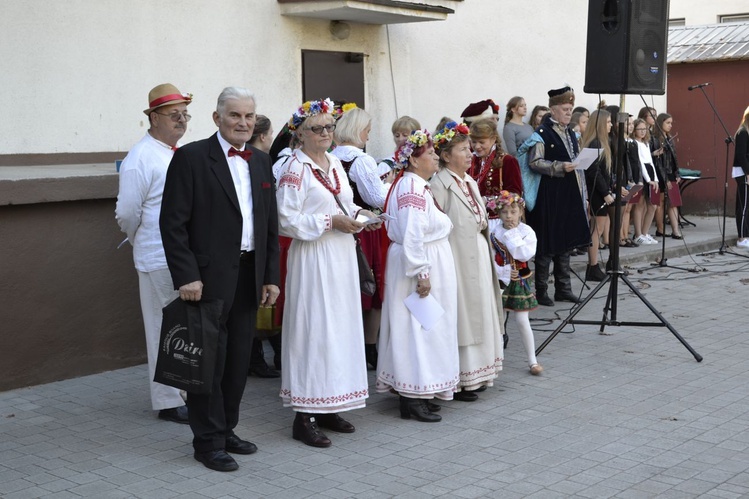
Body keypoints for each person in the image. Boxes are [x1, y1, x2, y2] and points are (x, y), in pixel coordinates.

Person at [160, 86, 281, 472]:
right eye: (234, 116)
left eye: (248, 116)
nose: (242, 123)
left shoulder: (261, 162)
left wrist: (270, 276)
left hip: (249, 276)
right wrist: (187, 276)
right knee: (207, 362)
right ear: (217, 118)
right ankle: (206, 441)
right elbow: (173, 224)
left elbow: (269, 225)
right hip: (207, 280)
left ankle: (227, 429)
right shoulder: (192, 158)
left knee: (238, 360)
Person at [276, 98, 379, 448]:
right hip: (313, 257)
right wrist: (328, 221)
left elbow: (345, 203)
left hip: (339, 255)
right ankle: (304, 415)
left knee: (340, 328)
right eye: (316, 128)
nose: (325, 133)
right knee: (315, 330)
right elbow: (285, 219)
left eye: (329, 127)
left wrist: (362, 218)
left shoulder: (335, 162)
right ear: (300, 134)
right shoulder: (295, 169)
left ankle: (331, 404)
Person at [115, 83, 192, 425]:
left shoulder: (174, 152)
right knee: (163, 328)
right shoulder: (141, 158)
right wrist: (141, 239)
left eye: (185, 114)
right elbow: (127, 213)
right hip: (157, 256)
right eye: (174, 115)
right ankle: (168, 401)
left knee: (183, 327)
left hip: (181, 256)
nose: (181, 121)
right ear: (154, 118)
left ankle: (184, 391)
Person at [376, 130, 459, 423]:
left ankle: (420, 390)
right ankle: (411, 397)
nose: (436, 158)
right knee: (417, 329)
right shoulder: (411, 188)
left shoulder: (415, 185)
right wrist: (421, 272)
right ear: (412, 158)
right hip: (418, 264)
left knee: (426, 328)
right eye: (430, 154)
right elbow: (413, 234)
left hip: (425, 259)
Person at [430, 122, 503, 400]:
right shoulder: (440, 185)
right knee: (463, 316)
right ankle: (460, 378)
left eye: (469, 148)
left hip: (478, 254)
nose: (470, 153)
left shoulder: (468, 180)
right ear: (446, 156)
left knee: (481, 310)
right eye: (462, 149)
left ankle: (480, 373)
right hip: (457, 259)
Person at [331, 105, 390, 370]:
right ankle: (369, 349)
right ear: (359, 130)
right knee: (370, 288)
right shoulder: (361, 159)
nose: (368, 134)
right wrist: (393, 184)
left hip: (337, 228)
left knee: (346, 290)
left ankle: (348, 346)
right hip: (363, 227)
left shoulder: (330, 156)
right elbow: (377, 198)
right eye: (367, 130)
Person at [527, 86, 590, 306]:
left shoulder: (572, 133)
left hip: (569, 194)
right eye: (564, 108)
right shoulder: (541, 133)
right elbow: (534, 163)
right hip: (549, 195)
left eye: (571, 109)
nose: (568, 113)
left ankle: (564, 289)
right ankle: (541, 290)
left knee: (565, 242)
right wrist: (560, 166)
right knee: (546, 244)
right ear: (552, 110)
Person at [488, 191, 542, 375]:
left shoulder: (526, 231)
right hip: (501, 281)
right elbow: (489, 257)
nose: (509, 216)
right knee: (498, 320)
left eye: (513, 211)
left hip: (519, 280)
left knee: (522, 320)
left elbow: (523, 254)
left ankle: (532, 360)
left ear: (520, 211)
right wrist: (501, 271)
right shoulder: (495, 231)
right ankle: (494, 359)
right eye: (504, 212)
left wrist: (512, 234)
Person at [246, 115, 281, 378]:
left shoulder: (264, 161)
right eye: (269, 134)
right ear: (263, 137)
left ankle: (263, 354)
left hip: (265, 241)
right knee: (257, 305)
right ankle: (254, 357)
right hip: (251, 244)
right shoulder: (255, 160)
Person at [468, 117, 523, 229]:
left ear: (493, 139)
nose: (477, 146)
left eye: (482, 142)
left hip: (498, 221)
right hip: (473, 220)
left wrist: (487, 200)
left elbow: (515, 194)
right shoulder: (470, 159)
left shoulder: (507, 161)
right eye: (474, 142)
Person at [581, 110, 615, 281]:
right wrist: (605, 193)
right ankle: (593, 266)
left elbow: (605, 171)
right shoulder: (594, 143)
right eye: (608, 122)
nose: (611, 125)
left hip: (601, 190)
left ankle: (596, 265)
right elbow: (593, 171)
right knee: (597, 229)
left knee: (600, 229)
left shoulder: (603, 142)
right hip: (596, 192)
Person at [651, 113, 683, 239]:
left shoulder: (670, 138)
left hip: (670, 172)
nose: (670, 125)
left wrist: (677, 172)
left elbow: (674, 157)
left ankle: (676, 230)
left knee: (673, 202)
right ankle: (660, 229)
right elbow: (656, 161)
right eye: (667, 123)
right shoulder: (654, 139)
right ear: (660, 123)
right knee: (661, 202)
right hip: (659, 173)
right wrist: (664, 178)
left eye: (671, 123)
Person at [632, 118, 660, 245]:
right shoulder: (634, 143)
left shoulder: (646, 143)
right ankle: (638, 234)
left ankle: (645, 232)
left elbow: (650, 163)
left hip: (650, 173)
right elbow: (640, 163)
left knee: (653, 205)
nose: (643, 132)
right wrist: (648, 180)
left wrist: (655, 179)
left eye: (644, 129)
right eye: (640, 129)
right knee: (640, 204)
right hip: (642, 174)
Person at [377, 115, 421, 180]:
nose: (400, 139)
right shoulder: (386, 165)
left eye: (405, 135)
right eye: (397, 136)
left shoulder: (423, 161)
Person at [734, 106, 749, 249]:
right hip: (743, 173)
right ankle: (742, 237)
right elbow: (741, 155)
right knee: (743, 206)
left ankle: (747, 234)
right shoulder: (743, 133)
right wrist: (748, 173)